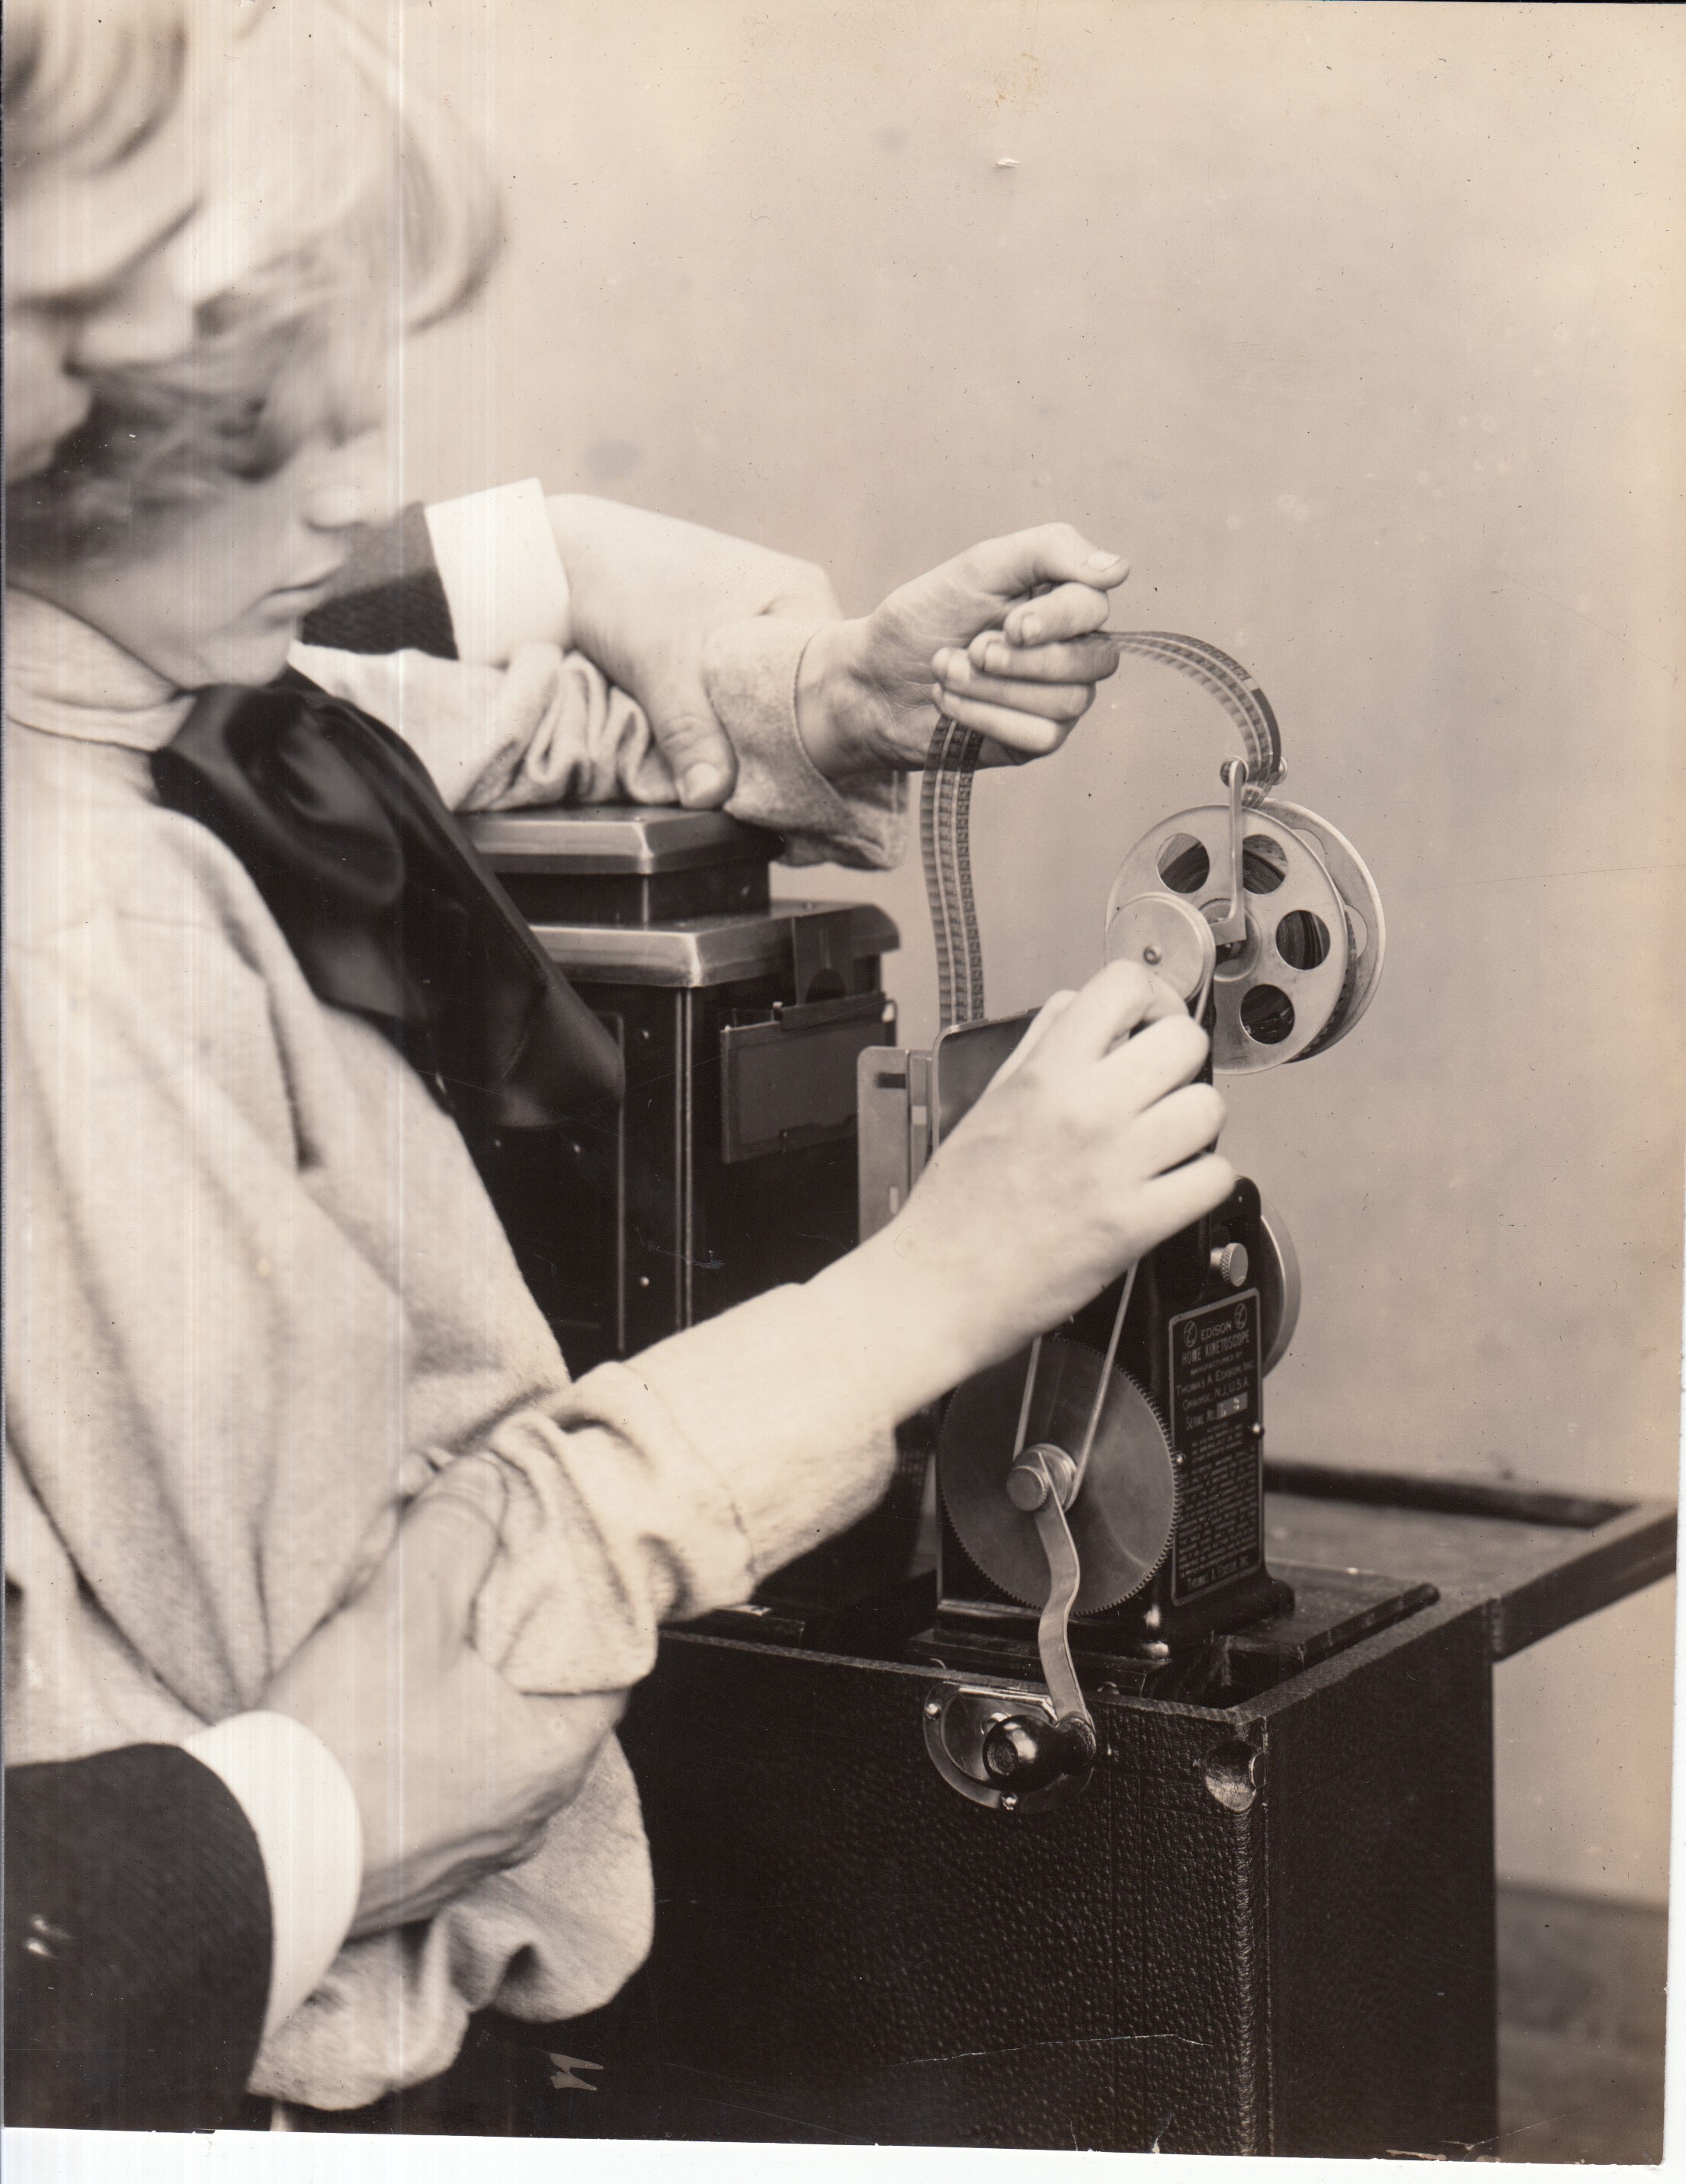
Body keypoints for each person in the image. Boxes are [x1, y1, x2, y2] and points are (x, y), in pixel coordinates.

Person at [5, 0, 1232, 2125]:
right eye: (274, 433)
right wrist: (925, 1298)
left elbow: (420, 713)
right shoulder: (86, 925)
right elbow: (371, 1716)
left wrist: (816, 689)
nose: (375, 483)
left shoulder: (143, 681)